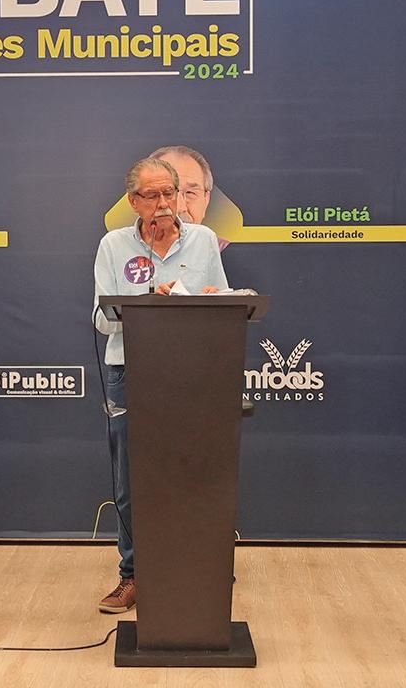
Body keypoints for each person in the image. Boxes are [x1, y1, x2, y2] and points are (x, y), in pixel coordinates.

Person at [91, 156, 228, 613]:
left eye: (170, 192)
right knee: (131, 481)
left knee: (194, 472)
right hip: (129, 371)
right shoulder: (114, 245)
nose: (164, 203)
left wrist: (212, 300)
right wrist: (148, 301)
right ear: (134, 201)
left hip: (193, 373)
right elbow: (101, 320)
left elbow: (223, 302)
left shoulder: (203, 240)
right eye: (152, 195)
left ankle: (193, 569)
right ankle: (132, 575)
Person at [151, 144, 229, 250]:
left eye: (190, 193)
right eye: (166, 193)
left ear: (206, 201)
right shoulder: (127, 251)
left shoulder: (225, 253)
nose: (179, 208)